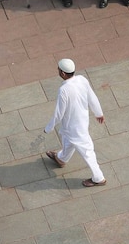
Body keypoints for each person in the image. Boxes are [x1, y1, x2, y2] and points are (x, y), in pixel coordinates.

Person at [44, 59, 107, 188]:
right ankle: (61, 158)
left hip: (74, 127)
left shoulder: (64, 90)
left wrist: (49, 127)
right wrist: (98, 112)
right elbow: (92, 96)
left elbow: (59, 113)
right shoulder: (82, 79)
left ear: (62, 73)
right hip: (80, 121)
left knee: (87, 151)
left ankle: (98, 177)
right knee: (68, 141)